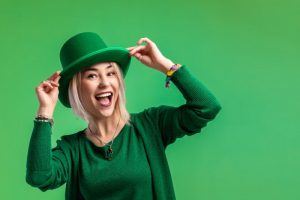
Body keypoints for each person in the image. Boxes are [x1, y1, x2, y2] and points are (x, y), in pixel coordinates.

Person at [26, 32, 221, 200]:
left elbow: (206, 107)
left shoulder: (150, 125)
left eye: (110, 73)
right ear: (76, 89)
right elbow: (39, 176)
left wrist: (166, 66)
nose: (104, 83)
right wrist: (45, 111)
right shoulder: (72, 150)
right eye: (92, 76)